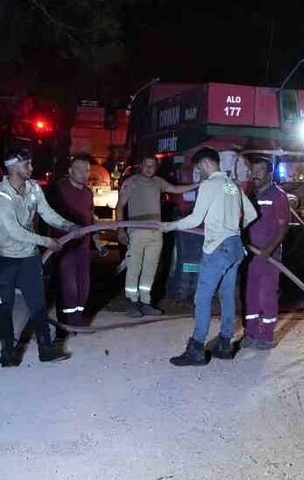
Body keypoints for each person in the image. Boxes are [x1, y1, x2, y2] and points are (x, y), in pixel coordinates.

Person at [161, 147, 258, 366]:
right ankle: (224, 344)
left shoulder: (209, 185)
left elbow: (195, 219)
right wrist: (232, 227)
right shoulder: (232, 185)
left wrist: (170, 225)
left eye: (199, 169)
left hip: (218, 249)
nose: (200, 174)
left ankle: (196, 348)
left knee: (202, 299)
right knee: (226, 297)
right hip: (235, 248)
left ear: (205, 165)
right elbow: (251, 214)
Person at [0, 148, 76, 366]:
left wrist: (69, 226)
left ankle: (46, 350)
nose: (32, 168)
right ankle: (7, 353)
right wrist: (47, 242)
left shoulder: (34, 188)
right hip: (1, 258)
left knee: (38, 304)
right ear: (13, 167)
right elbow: (14, 231)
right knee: (3, 306)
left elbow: (46, 213)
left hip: (28, 257)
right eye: (27, 164)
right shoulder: (1, 195)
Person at [116, 155, 193, 316]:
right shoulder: (131, 182)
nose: (149, 168)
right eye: (146, 165)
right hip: (136, 231)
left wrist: (199, 184)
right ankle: (132, 302)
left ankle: (145, 302)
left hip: (155, 232)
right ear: (140, 165)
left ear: (156, 167)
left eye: (152, 166)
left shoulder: (158, 182)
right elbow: (120, 206)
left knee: (150, 268)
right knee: (134, 267)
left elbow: (175, 189)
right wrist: (120, 230)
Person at [50, 154, 105, 326]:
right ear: (70, 171)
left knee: (84, 287)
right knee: (69, 287)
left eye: (87, 170)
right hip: (64, 246)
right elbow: (48, 215)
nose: (84, 173)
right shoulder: (59, 190)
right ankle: (68, 322)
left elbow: (90, 218)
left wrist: (97, 242)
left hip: (84, 247)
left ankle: (78, 319)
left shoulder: (88, 193)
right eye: (80, 170)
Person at [242, 157, 291, 349]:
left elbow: (283, 226)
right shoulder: (249, 194)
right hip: (250, 254)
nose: (255, 174)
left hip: (268, 255)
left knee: (266, 295)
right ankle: (251, 332)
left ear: (270, 174)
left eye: (259, 170)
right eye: (253, 170)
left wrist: (269, 250)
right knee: (250, 294)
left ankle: (267, 335)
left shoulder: (278, 196)